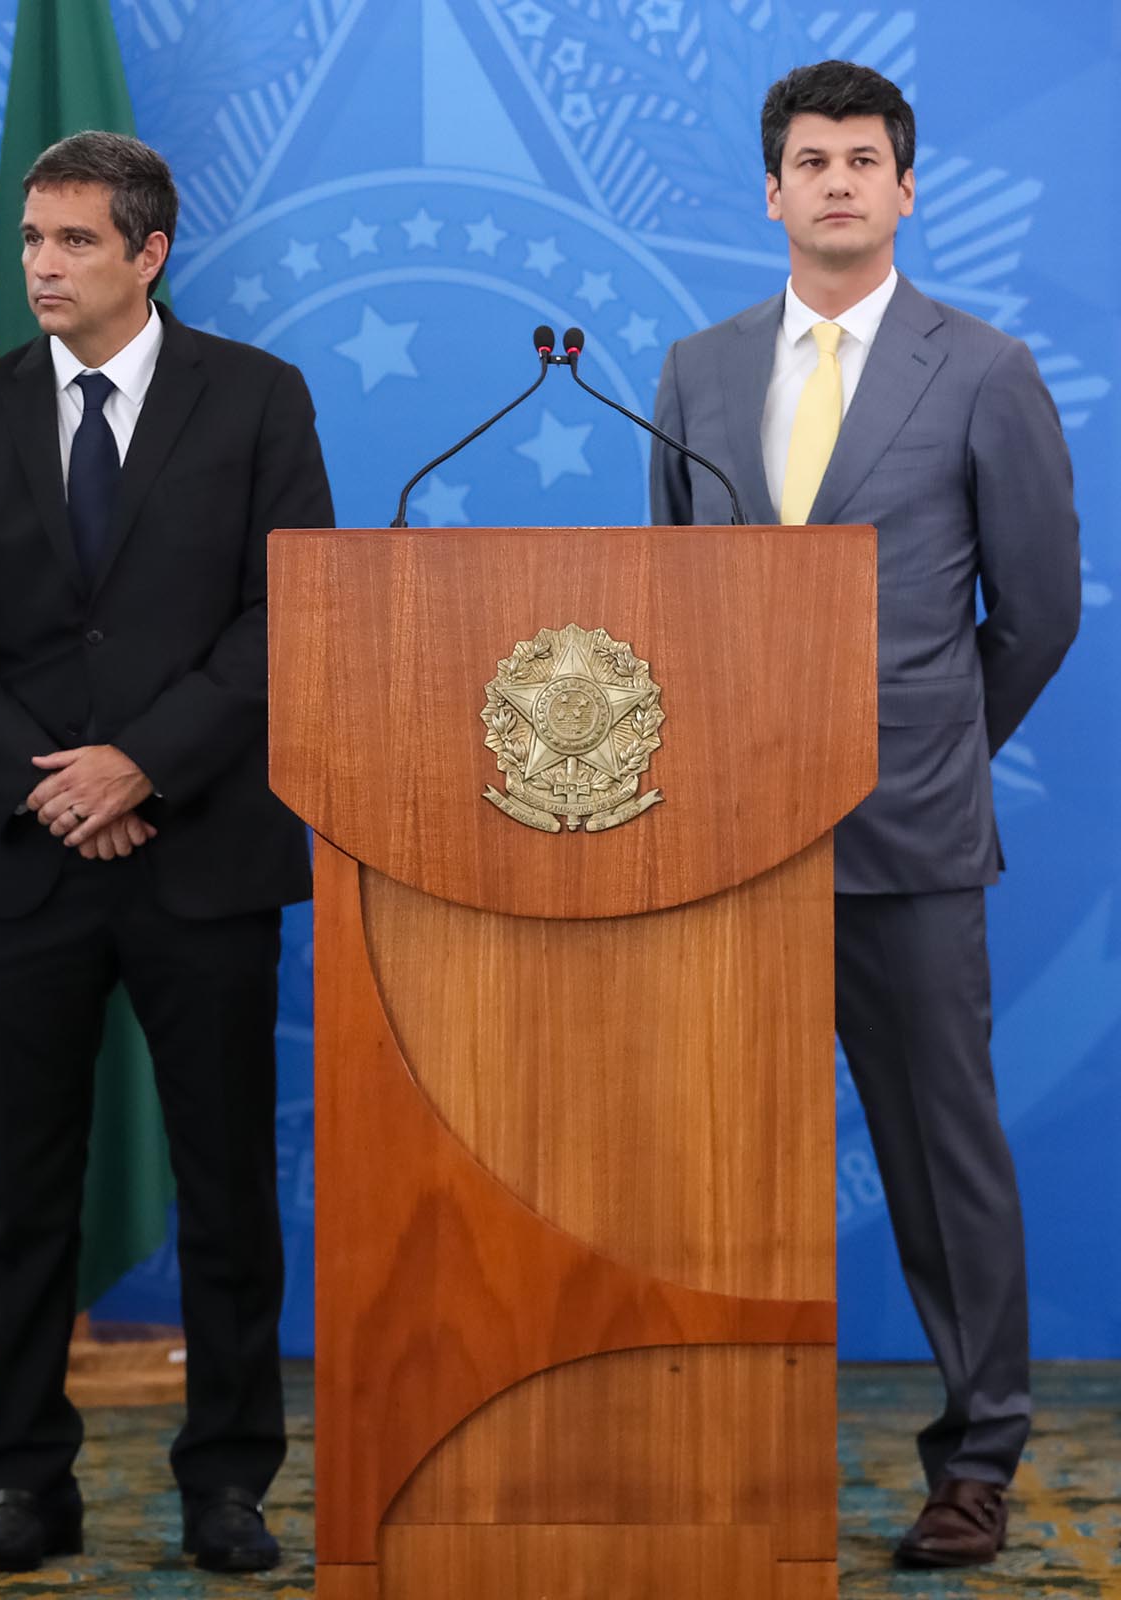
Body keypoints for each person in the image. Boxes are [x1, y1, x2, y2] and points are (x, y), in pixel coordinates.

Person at [648, 61, 1079, 1571]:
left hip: (904, 835)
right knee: (711, 1157)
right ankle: (715, 1444)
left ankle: (976, 1460)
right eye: (810, 159)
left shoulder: (985, 368)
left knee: (940, 1156)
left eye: (864, 159)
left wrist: (930, 745)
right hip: (725, 843)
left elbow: (1032, 614)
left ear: (907, 189)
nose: (836, 180)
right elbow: (676, 600)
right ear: (770, 192)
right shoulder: (698, 370)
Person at [0, 131, 329, 1576]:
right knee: (24, 1194)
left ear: (150, 252)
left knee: (225, 1186)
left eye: (74, 242)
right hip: (26, 860)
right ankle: (25, 1479)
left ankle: (228, 1483)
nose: (43, 267)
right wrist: (55, 786)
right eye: (31, 241)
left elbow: (287, 615)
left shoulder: (259, 400)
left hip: (205, 854)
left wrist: (147, 761)